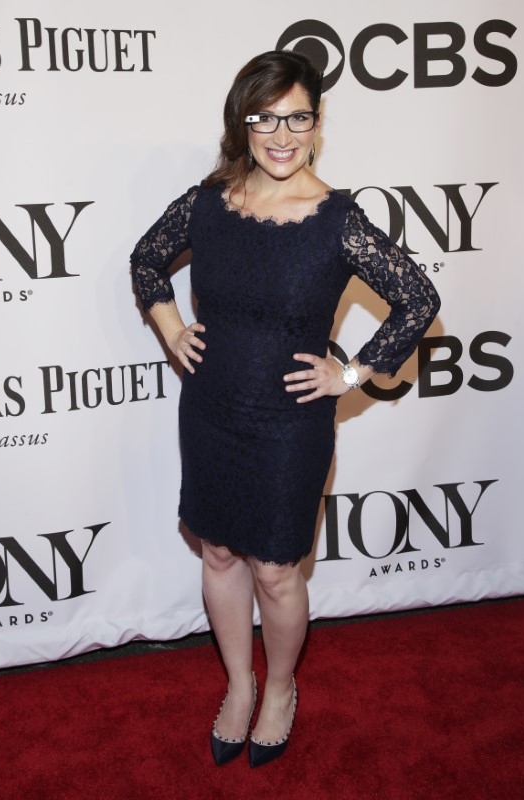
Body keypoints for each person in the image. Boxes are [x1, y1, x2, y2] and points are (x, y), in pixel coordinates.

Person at [130, 49, 440, 768]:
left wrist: (354, 371)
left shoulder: (337, 219)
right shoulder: (207, 204)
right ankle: (238, 685)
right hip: (210, 408)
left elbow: (418, 299)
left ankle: (279, 688)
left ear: (317, 122)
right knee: (216, 550)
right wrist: (171, 326)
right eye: (264, 116)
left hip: (289, 424)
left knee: (274, 568)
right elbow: (147, 259)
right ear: (242, 121)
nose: (280, 133)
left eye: (297, 116)